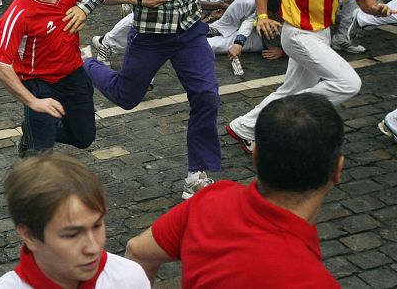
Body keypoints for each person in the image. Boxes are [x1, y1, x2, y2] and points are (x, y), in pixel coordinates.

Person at [62, 0, 223, 200]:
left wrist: (206, 4)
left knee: (206, 96)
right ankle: (86, 62)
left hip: (190, 29)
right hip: (152, 32)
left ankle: (197, 174)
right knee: (126, 96)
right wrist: (85, 8)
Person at [227, 0, 396, 153]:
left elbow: (366, 2)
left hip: (322, 34)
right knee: (348, 83)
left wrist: (378, 9)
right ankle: (287, 120)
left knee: (292, 88)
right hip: (297, 35)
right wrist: (262, 17)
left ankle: (244, 126)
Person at [126, 93, 344, 287]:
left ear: (255, 156)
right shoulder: (313, 281)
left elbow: (137, 251)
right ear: (337, 170)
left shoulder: (211, 200)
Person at [0, 0, 166, 155]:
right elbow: (0, 66)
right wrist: (33, 102)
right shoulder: (18, 14)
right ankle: (35, 138)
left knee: (83, 138)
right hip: (40, 84)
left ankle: (38, 129)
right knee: (39, 155)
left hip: (73, 76)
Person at [0, 153, 150, 288]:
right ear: (29, 235)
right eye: (72, 235)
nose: (93, 248)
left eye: (97, 226)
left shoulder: (129, 278)